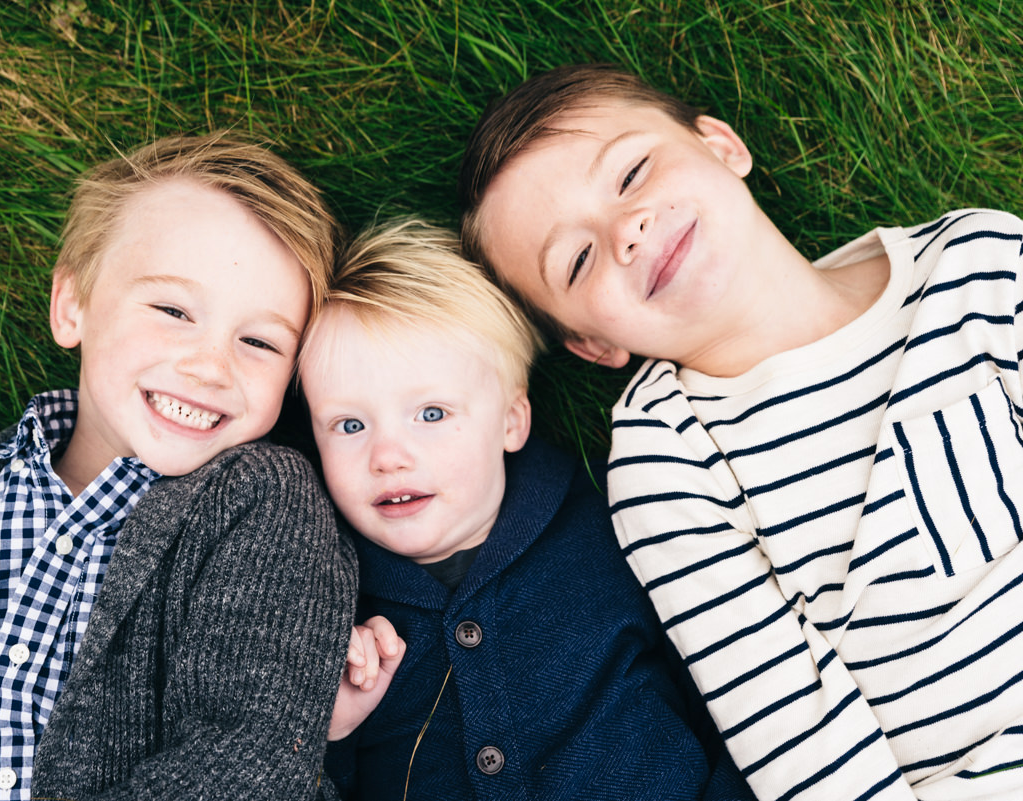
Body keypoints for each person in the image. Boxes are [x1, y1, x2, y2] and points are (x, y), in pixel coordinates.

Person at [457, 62, 1023, 800]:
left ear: (722, 146)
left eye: (631, 173)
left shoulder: (978, 266)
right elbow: (797, 734)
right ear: (593, 344)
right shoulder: (668, 455)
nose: (626, 230)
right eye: (579, 258)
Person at [0, 133, 357, 801]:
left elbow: (247, 753)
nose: (210, 365)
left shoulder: (263, 502)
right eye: (173, 310)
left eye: (259, 341)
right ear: (71, 305)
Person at [299, 218, 754, 800]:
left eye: (432, 414)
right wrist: (330, 737)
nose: (387, 456)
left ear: (512, 421)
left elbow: (730, 693)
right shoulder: (331, 601)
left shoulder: (611, 533)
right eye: (350, 425)